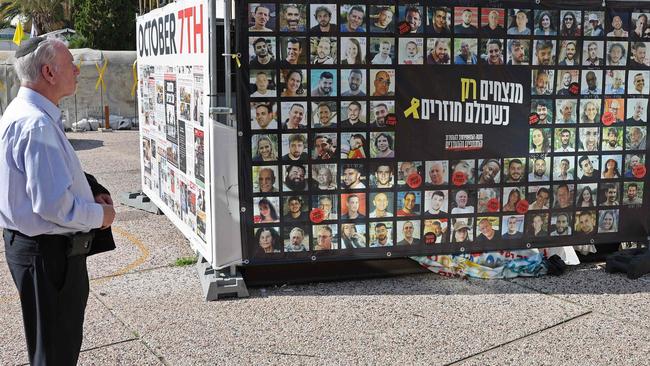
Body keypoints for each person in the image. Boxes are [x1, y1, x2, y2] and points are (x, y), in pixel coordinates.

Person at [1, 37, 116, 366]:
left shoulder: (26, 112)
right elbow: (53, 206)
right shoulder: (36, 124)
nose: (77, 70)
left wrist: (89, 187)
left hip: (35, 251)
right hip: (48, 257)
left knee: (50, 347)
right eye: (70, 64)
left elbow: (44, 177)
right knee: (55, 354)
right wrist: (101, 215)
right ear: (49, 72)